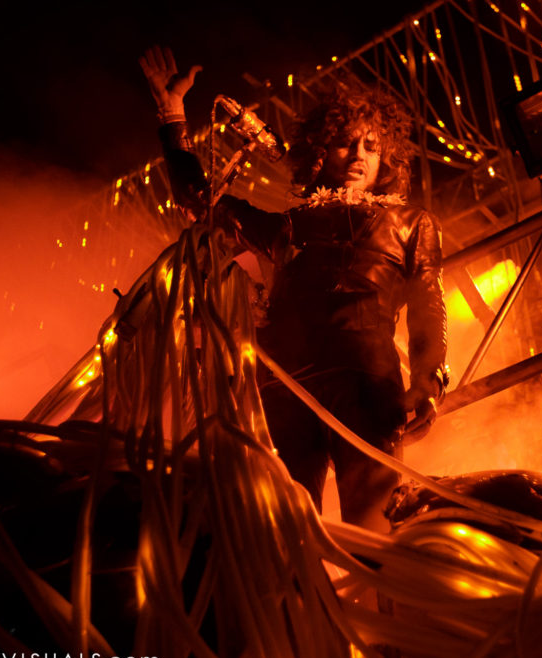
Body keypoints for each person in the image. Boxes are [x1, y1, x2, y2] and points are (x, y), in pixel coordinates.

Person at [140, 47, 448, 530]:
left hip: (367, 389)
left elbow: (429, 310)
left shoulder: (411, 223)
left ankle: (382, 604)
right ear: (320, 150)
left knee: (374, 537)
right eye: (345, 143)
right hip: (286, 389)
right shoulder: (286, 226)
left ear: (387, 154)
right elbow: (200, 198)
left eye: (370, 146)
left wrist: (428, 383)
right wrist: (171, 115)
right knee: (285, 536)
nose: (358, 157)